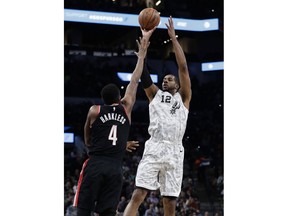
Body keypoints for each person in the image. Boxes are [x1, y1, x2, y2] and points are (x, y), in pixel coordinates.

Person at [73, 26, 156, 216]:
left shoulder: (95, 110)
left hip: (95, 163)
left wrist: (89, 143)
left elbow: (87, 131)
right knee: (108, 212)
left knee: (83, 209)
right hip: (115, 167)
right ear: (120, 97)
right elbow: (134, 80)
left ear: (103, 99)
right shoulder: (126, 108)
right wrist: (141, 55)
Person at [123, 16, 192, 216]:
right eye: (163, 79)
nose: (165, 80)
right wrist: (143, 51)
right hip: (156, 146)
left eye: (169, 79)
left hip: (175, 150)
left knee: (170, 201)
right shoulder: (155, 94)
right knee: (139, 193)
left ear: (177, 85)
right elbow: (143, 76)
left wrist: (173, 38)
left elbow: (183, 68)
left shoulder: (184, 98)